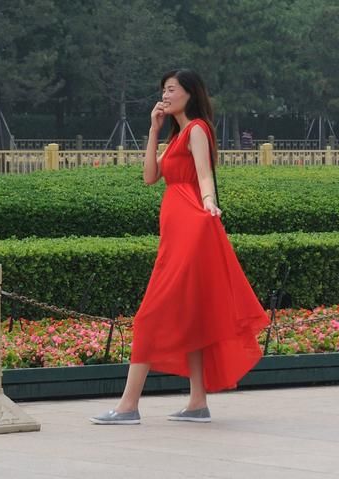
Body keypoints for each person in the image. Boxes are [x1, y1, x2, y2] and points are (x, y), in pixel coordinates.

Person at [91, 69, 269, 425]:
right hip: (174, 233)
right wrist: (154, 129)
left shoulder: (198, 129)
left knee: (148, 316)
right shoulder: (175, 136)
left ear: (190, 93)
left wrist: (209, 202)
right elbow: (149, 177)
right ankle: (197, 402)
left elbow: (205, 174)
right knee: (192, 317)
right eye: (163, 90)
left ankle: (128, 405)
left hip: (191, 226)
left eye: (172, 89)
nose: (166, 95)